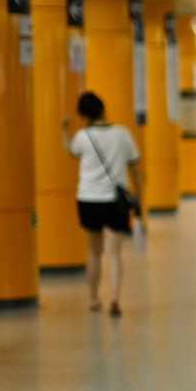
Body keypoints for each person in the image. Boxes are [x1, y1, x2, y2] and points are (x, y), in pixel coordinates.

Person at [61, 91, 142, 317]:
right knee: (114, 252)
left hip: (88, 199)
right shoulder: (122, 134)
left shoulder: (82, 136)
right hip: (116, 201)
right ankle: (115, 298)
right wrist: (140, 200)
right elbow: (136, 169)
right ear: (103, 109)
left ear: (83, 115)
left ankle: (94, 298)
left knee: (94, 252)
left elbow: (70, 151)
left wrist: (63, 130)